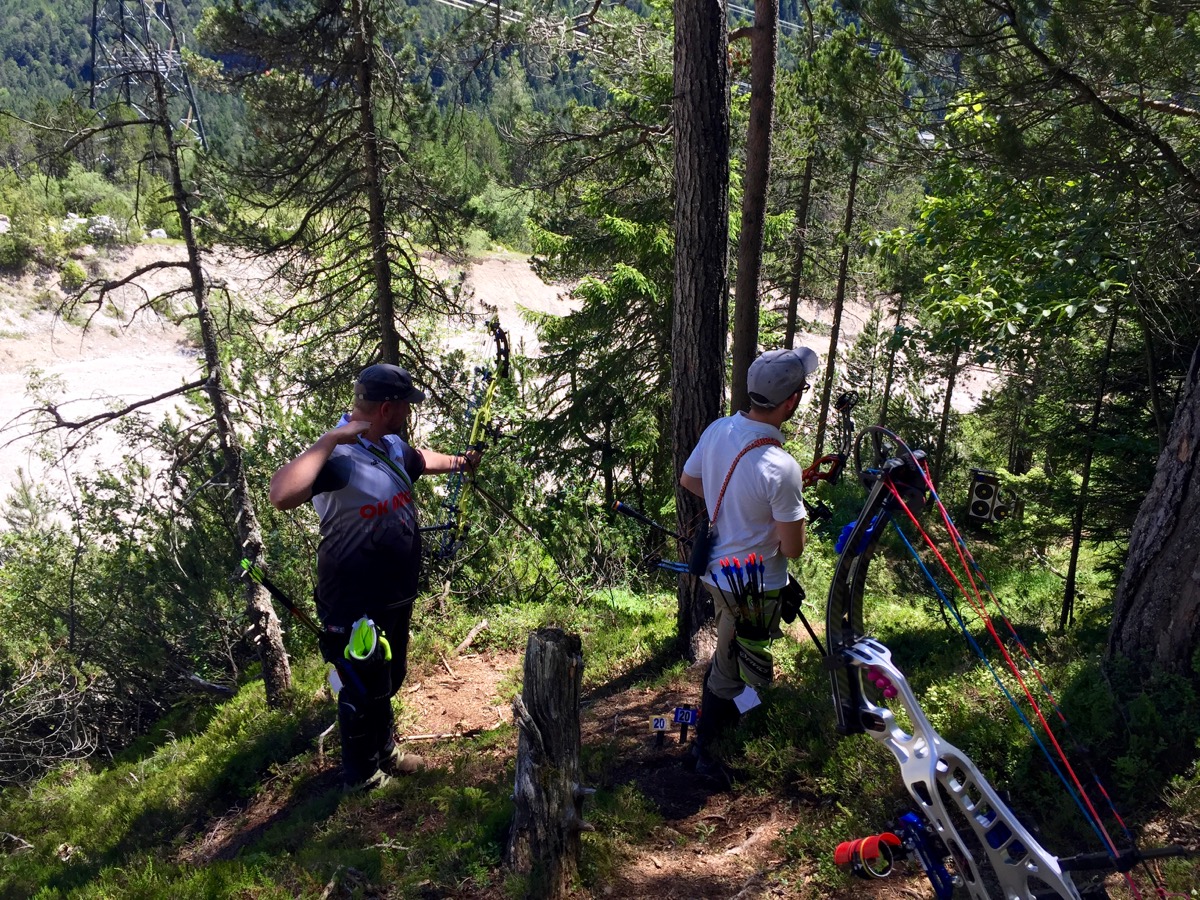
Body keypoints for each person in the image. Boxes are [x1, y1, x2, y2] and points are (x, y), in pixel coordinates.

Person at [269, 363, 481, 792]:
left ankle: (385, 751)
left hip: (392, 593)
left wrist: (461, 463)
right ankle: (362, 777)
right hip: (353, 597)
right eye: (405, 406)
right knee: (360, 682)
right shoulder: (338, 457)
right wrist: (328, 440)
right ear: (387, 408)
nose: (409, 412)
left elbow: (420, 459)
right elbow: (281, 494)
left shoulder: (390, 444)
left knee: (388, 674)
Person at [679, 347, 818, 777]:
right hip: (754, 590)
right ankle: (712, 751)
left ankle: (722, 737)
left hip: (717, 575)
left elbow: (689, 478)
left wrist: (734, 507)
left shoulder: (719, 429)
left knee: (731, 656)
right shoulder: (781, 466)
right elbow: (793, 549)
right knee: (739, 669)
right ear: (791, 401)